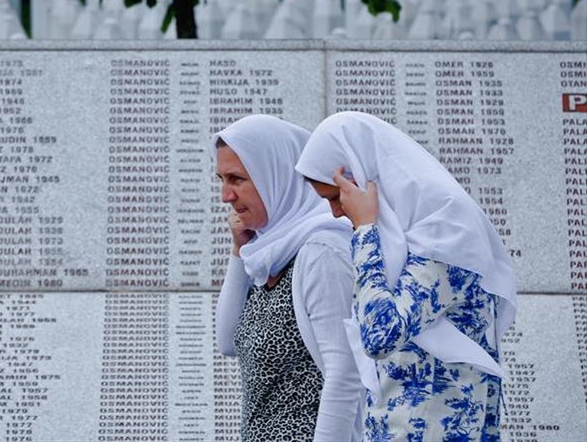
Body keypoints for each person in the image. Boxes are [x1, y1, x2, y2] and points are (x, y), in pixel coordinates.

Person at [296, 111, 517, 441]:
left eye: (335, 197)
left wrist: (365, 229)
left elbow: (380, 335)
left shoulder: (445, 232)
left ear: (363, 177)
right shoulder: (406, 235)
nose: (337, 212)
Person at [213, 114, 364, 442]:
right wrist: (239, 253)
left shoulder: (321, 251)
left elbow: (345, 373)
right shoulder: (269, 255)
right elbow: (227, 342)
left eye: (237, 179)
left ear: (275, 175)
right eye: (221, 179)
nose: (226, 196)